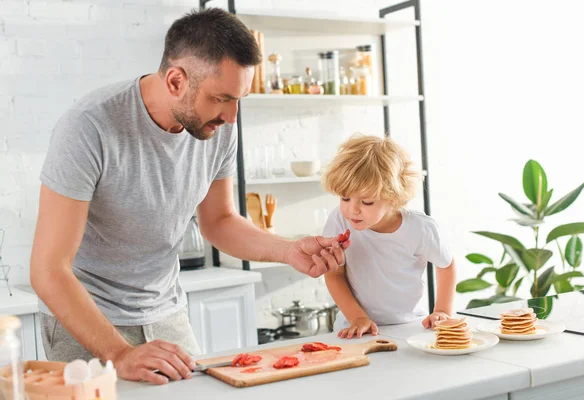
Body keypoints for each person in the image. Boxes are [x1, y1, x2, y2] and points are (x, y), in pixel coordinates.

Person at [30, 8, 348, 385]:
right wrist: (119, 353)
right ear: (177, 80)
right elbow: (48, 270)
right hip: (86, 318)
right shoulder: (89, 127)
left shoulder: (219, 127)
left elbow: (220, 221)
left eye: (239, 100)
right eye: (222, 99)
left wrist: (287, 250)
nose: (232, 117)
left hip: (166, 313)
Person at [321, 134, 456, 339]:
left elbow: (446, 264)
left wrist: (442, 311)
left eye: (367, 202)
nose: (352, 210)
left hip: (408, 326)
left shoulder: (420, 228)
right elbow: (334, 274)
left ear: (395, 198)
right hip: (354, 326)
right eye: (345, 198)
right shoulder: (339, 221)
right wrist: (358, 318)